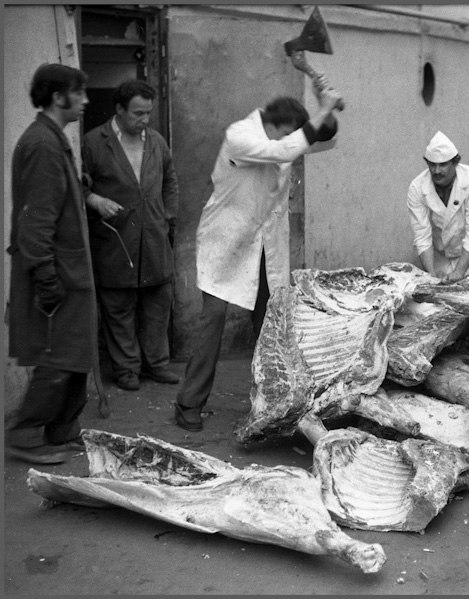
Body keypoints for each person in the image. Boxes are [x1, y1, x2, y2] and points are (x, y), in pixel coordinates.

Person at [173, 82, 341, 432]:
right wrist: (320, 113)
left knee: (270, 323)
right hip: (228, 241)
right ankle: (188, 403)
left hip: (266, 244)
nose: (295, 142)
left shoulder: (282, 136)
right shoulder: (240, 135)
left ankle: (273, 403)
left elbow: (325, 136)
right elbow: (283, 151)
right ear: (277, 127)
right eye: (290, 135)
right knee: (213, 320)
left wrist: (326, 106)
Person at [6, 63, 94, 464]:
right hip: (55, 272)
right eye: (79, 93)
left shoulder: (53, 139)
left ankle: (61, 429)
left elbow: (54, 201)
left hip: (68, 269)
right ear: (58, 97)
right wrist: (45, 277)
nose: (86, 101)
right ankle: (25, 434)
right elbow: (36, 219)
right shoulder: (42, 144)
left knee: (74, 352)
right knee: (56, 355)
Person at [81, 79, 180, 391]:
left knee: (157, 304)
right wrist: (95, 200)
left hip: (153, 237)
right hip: (115, 238)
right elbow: (77, 185)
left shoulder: (157, 142)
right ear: (119, 109)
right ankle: (126, 369)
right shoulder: (94, 142)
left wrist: (167, 216)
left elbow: (170, 180)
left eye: (148, 113)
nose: (145, 120)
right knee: (118, 307)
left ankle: (158, 364)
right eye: (138, 114)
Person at [406, 131, 469, 282]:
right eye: (432, 165)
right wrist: (431, 275)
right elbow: (422, 237)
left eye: (443, 165)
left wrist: (459, 271)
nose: (437, 171)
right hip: (441, 257)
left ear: (455, 162)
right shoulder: (417, 188)